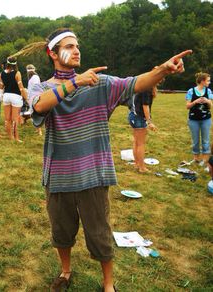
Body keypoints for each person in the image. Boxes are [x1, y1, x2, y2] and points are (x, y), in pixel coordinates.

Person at [11, 28, 192, 292]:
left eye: (77, 46)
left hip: (93, 174)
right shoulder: (42, 86)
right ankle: (65, 271)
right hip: (59, 176)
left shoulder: (100, 84)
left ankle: (108, 285)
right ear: (52, 53)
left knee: (100, 234)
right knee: (62, 233)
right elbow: (39, 106)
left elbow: (135, 83)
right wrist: (75, 82)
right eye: (69, 46)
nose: (76, 50)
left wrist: (163, 69)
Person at [128, 82, 158, 172]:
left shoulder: (144, 87)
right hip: (139, 118)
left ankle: (137, 164)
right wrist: (149, 122)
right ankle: (141, 167)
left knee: (136, 142)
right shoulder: (147, 89)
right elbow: (145, 106)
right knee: (140, 144)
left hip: (133, 116)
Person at [186, 72, 213, 164]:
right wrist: (195, 102)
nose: (209, 82)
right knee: (195, 140)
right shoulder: (191, 91)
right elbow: (187, 106)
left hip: (206, 119)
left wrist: (207, 101)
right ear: (202, 81)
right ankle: (196, 158)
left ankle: (205, 160)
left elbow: (211, 106)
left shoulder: (208, 91)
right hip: (193, 120)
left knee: (206, 140)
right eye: (208, 80)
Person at [0, 57, 27, 142]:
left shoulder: (1, 74)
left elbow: (1, 86)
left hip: (6, 96)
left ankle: (10, 137)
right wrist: (25, 97)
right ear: (15, 64)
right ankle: (16, 138)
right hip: (16, 96)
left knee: (7, 119)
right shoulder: (17, 73)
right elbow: (21, 87)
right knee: (15, 119)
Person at [25, 64, 42, 135]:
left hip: (34, 97)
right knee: (33, 113)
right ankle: (37, 129)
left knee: (35, 113)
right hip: (32, 97)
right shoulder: (33, 77)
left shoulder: (34, 77)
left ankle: (39, 130)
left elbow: (35, 87)